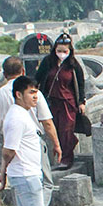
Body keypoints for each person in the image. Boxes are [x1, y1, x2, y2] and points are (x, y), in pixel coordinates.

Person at [0, 56, 62, 206]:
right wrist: (56, 143)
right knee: (44, 182)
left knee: (19, 189)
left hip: (9, 143)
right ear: (23, 71)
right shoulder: (31, 93)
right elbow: (47, 122)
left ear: (4, 73)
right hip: (31, 143)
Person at [0, 77, 57, 206]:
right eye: (31, 93)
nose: (35, 97)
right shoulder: (17, 118)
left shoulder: (22, 115)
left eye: (36, 92)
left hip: (24, 172)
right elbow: (8, 150)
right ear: (18, 94)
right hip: (26, 173)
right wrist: (2, 173)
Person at [33, 33, 86, 169]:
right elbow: (37, 78)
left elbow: (80, 83)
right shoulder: (48, 62)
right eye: (59, 51)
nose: (61, 54)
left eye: (64, 51)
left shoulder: (73, 65)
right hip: (51, 101)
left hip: (68, 102)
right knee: (54, 128)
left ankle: (67, 158)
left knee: (67, 129)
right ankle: (57, 155)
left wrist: (81, 102)